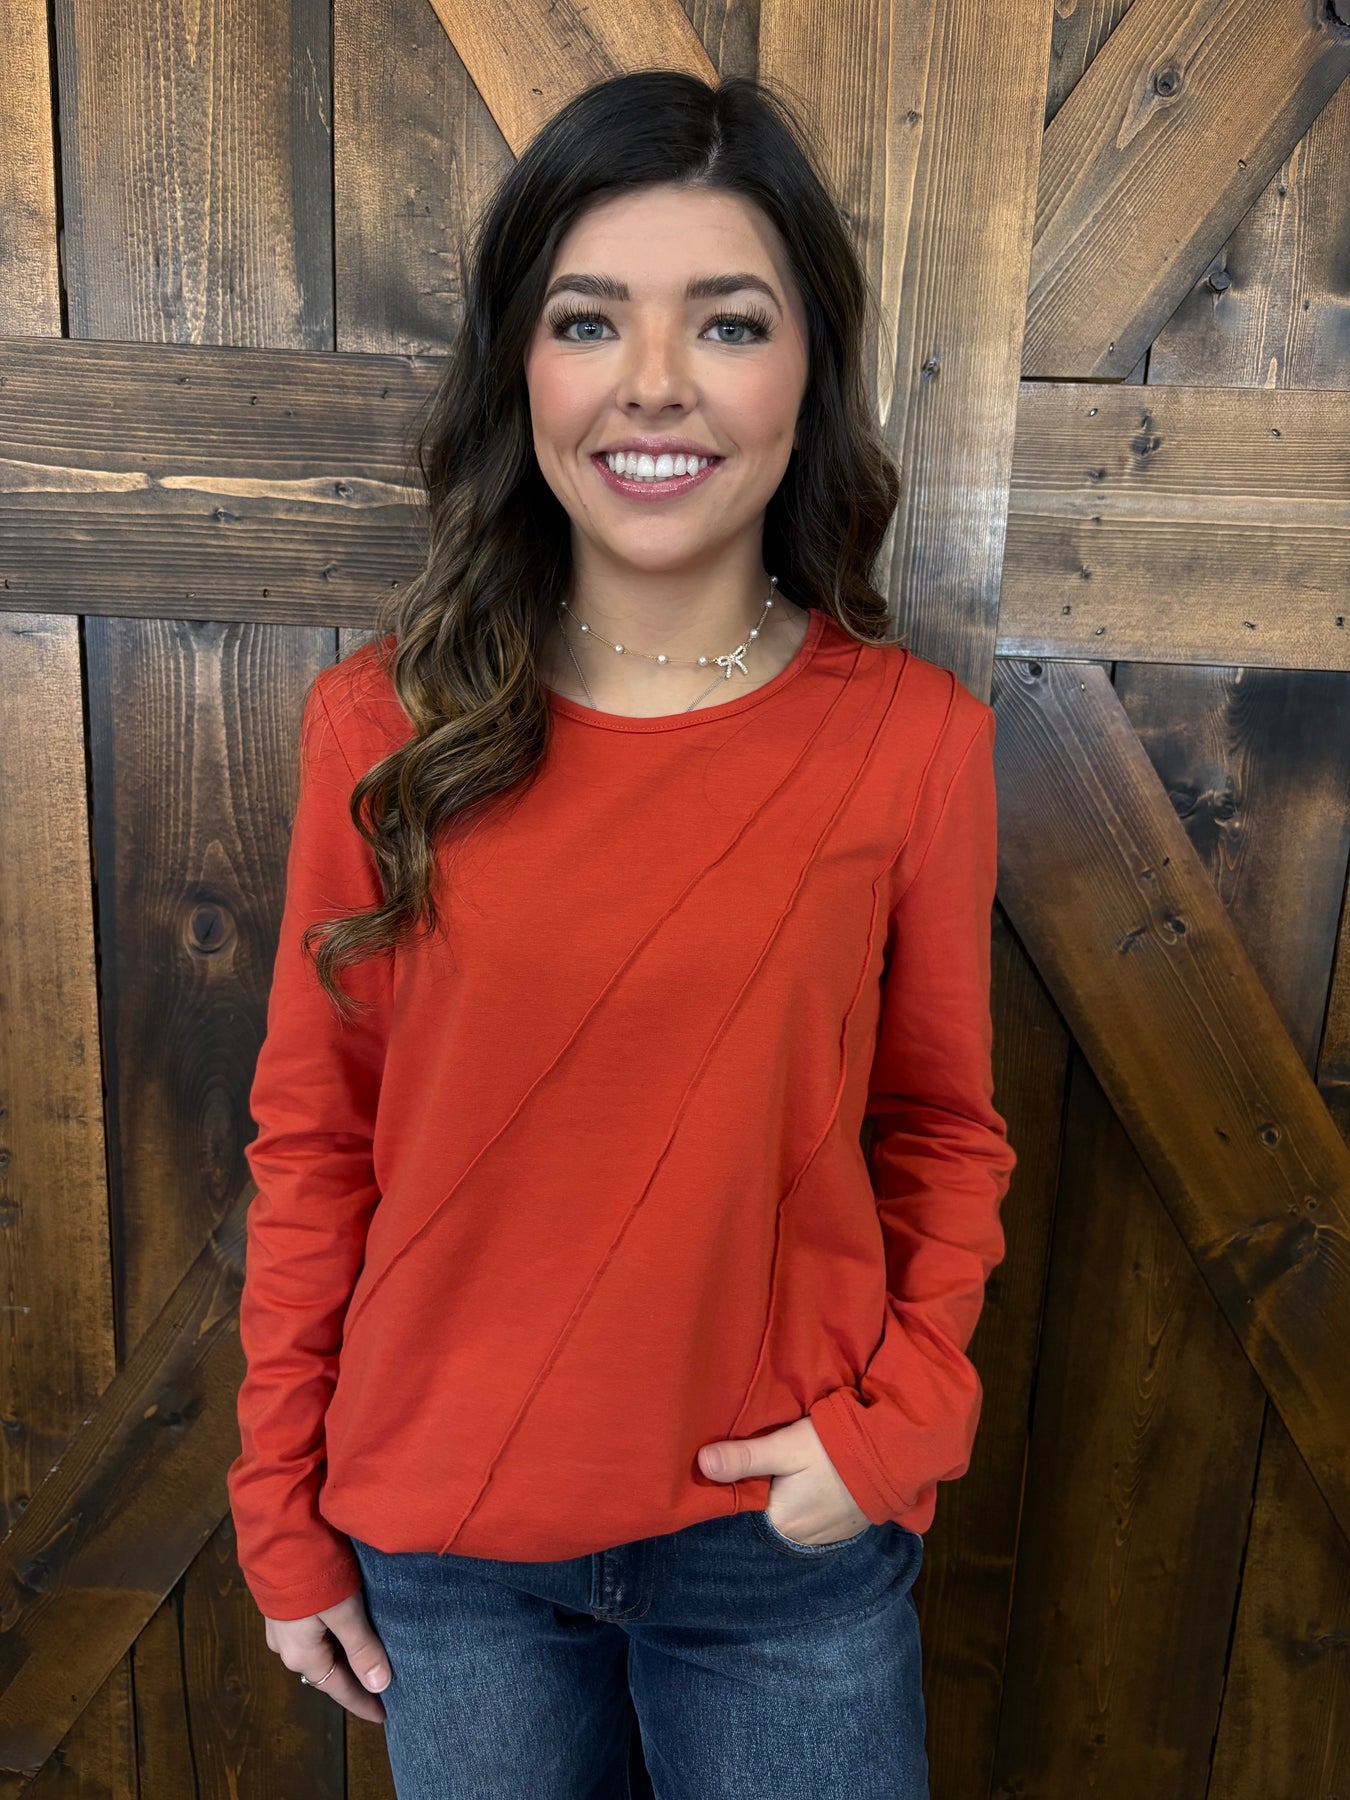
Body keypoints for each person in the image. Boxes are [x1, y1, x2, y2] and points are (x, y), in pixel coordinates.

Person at [227, 68, 1018, 1800]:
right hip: (446, 1551)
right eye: (588, 319)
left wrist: (902, 1424)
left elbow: (940, 1129)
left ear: (808, 371)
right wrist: (278, 1506)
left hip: (778, 1548)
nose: (653, 380)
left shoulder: (910, 743)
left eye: (727, 322)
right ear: (522, 366)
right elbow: (317, 1141)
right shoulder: (380, 729)